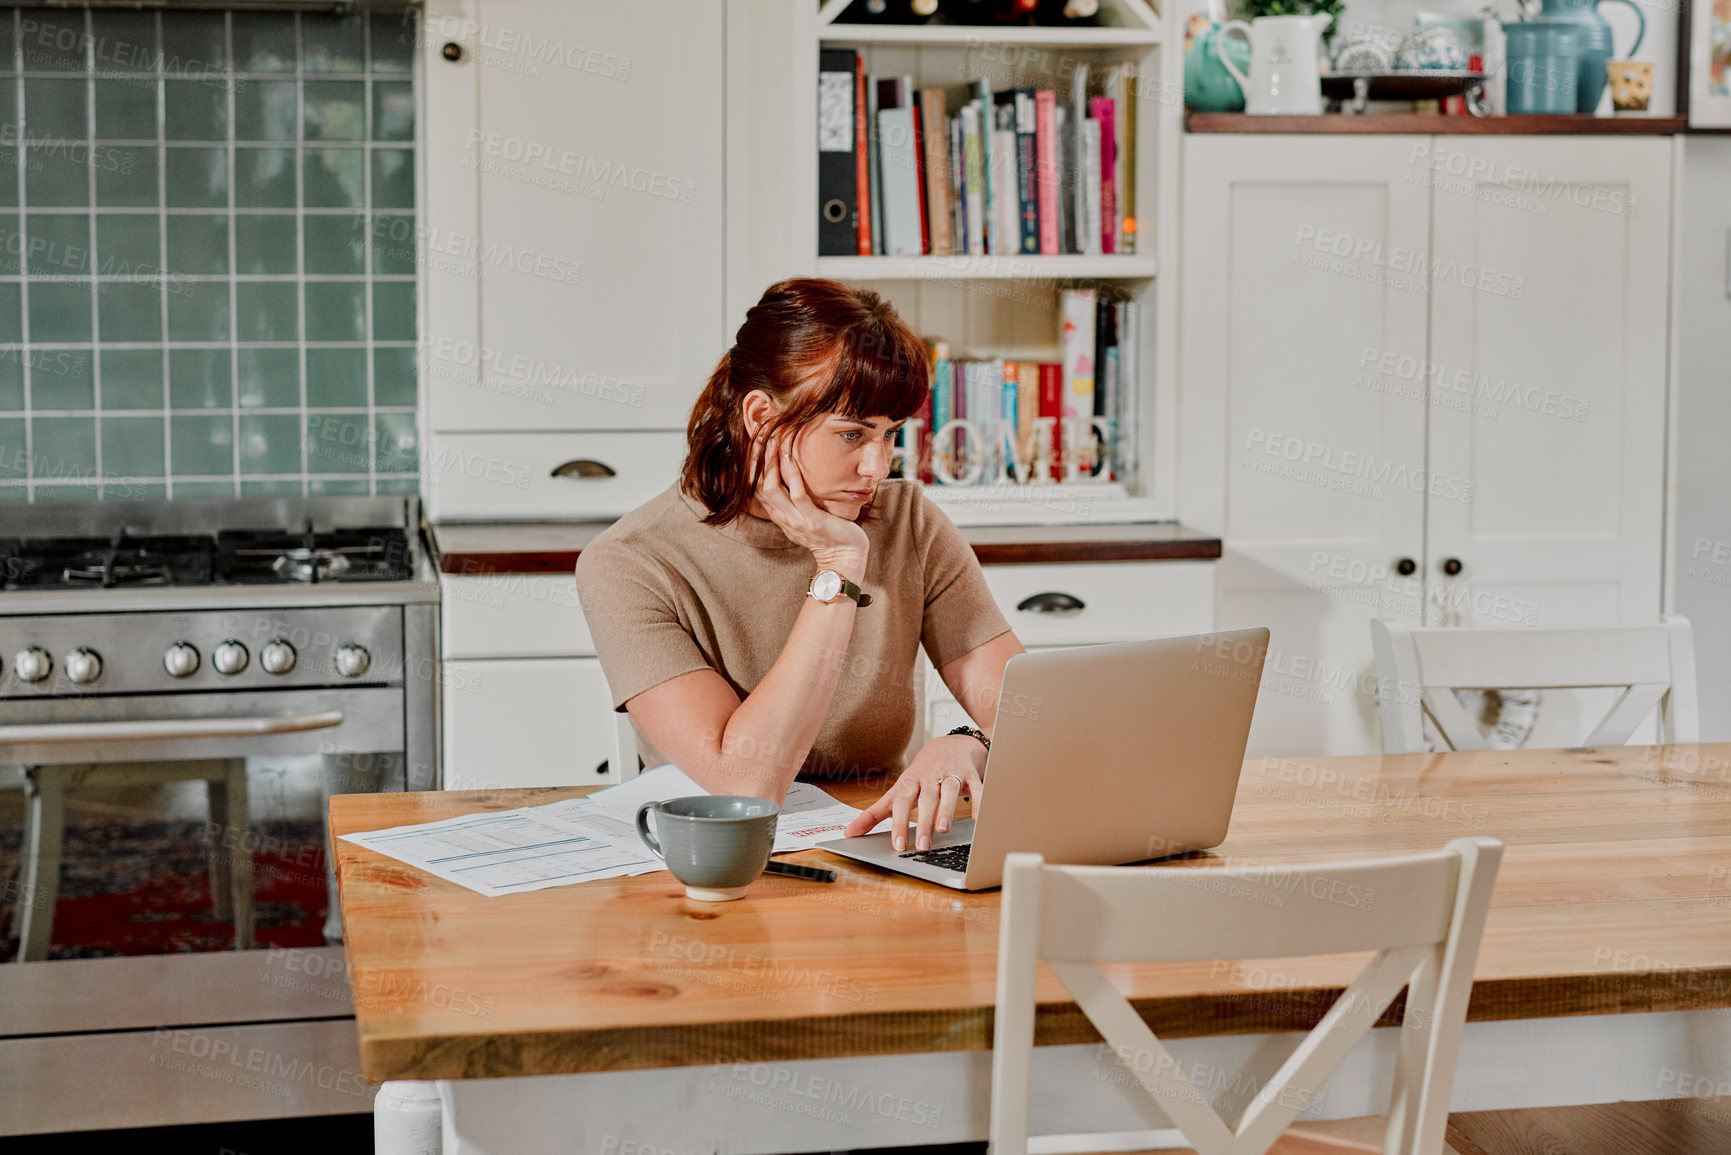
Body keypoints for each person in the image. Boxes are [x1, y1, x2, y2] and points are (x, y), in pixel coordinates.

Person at [574, 278, 1026, 853]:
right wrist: (837, 568)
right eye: (851, 434)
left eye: (891, 435)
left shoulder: (909, 523)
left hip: (877, 852)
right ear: (760, 417)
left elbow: (1032, 718)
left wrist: (969, 742)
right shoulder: (632, 563)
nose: (876, 467)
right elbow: (749, 786)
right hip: (718, 869)